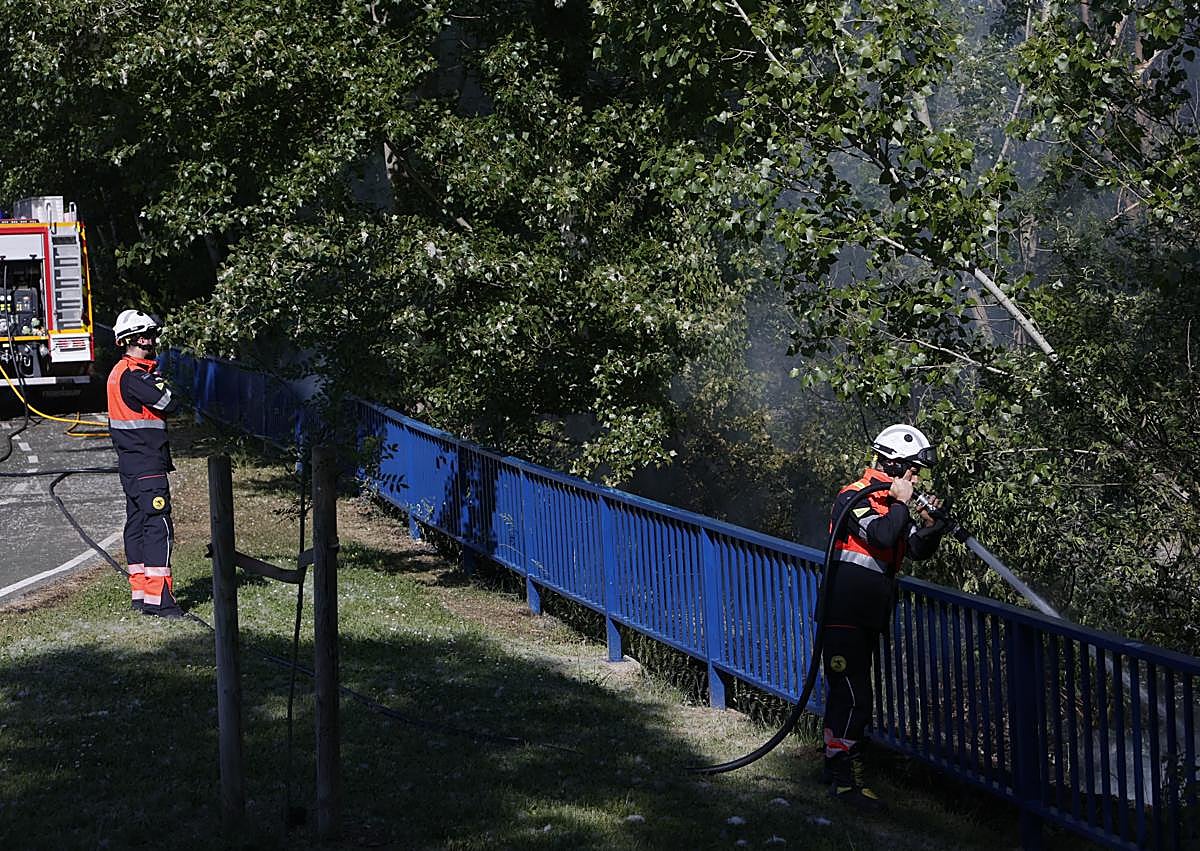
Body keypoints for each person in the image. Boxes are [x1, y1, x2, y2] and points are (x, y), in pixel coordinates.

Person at [822, 424, 948, 808]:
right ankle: (843, 781)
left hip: (868, 615)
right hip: (843, 613)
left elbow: (911, 547)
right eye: (912, 470)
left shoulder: (890, 504)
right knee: (851, 696)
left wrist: (935, 525)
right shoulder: (853, 497)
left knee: (857, 696)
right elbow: (879, 535)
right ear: (893, 466)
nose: (916, 479)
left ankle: (846, 773)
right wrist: (901, 502)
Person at [107, 309, 182, 618]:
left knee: (137, 525)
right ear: (134, 339)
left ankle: (141, 595)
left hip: (131, 464)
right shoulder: (135, 376)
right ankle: (160, 600)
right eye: (147, 335)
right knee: (157, 526)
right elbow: (169, 402)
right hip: (147, 462)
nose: (152, 341)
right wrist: (160, 383)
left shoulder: (118, 372)